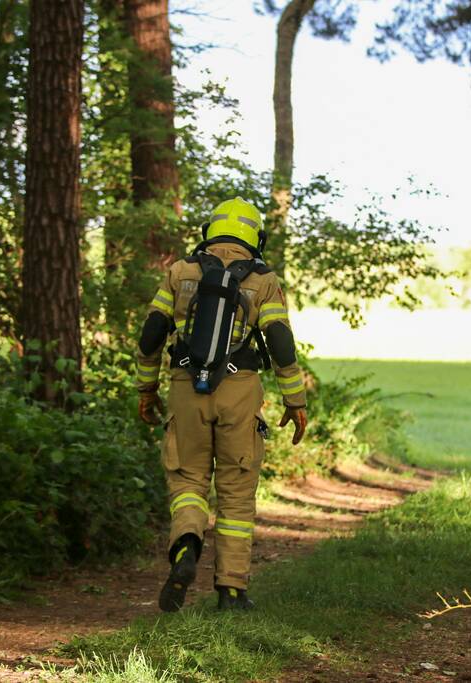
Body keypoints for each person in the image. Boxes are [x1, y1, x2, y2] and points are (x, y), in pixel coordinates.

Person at [135, 197, 308, 612]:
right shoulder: (263, 280)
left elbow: (151, 335)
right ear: (255, 236)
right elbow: (281, 343)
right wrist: (294, 399)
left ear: (208, 232)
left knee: (188, 482)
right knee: (235, 493)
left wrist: (146, 390)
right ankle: (231, 591)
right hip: (240, 391)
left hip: (185, 388)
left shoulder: (181, 272)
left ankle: (186, 548)